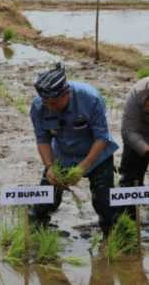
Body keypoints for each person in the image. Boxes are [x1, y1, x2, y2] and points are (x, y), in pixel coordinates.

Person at [29, 62, 119, 237]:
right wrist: (49, 167)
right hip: (63, 154)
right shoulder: (39, 106)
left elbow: (102, 137)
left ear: (66, 93)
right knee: (45, 200)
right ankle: (36, 233)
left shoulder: (90, 99)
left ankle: (112, 238)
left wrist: (83, 167)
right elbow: (43, 139)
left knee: (105, 203)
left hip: (97, 156)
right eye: (46, 103)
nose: (50, 107)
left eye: (54, 103)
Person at [119, 77, 149, 219]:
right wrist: (145, 149)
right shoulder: (139, 92)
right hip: (139, 134)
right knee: (131, 177)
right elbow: (128, 131)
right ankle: (128, 217)